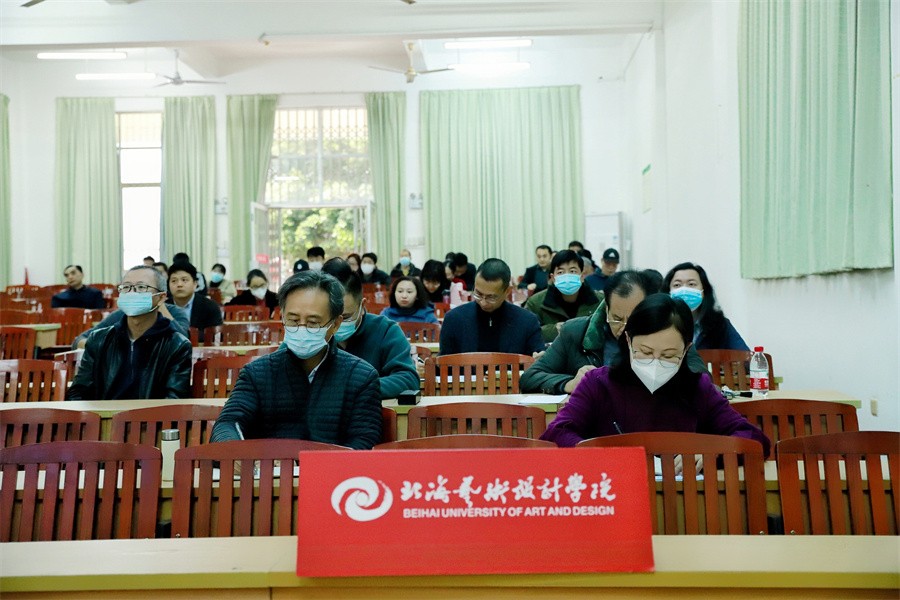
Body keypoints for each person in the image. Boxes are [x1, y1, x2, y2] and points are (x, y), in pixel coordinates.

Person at [540, 293, 770, 460]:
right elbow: (555, 434)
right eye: (646, 352)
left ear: (686, 350)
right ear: (629, 341)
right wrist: (597, 454)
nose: (655, 363)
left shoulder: (698, 387)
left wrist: (715, 454)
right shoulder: (599, 384)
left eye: (669, 355)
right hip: (615, 494)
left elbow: (754, 439)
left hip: (682, 497)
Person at [210, 270, 382, 449]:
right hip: (270, 465)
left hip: (333, 466)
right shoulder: (256, 373)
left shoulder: (361, 377)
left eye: (313, 323)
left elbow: (364, 440)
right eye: (293, 320)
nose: (301, 329)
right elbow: (228, 423)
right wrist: (236, 452)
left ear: (335, 324)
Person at [521, 269, 707, 395]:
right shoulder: (576, 332)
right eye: (617, 319)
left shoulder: (666, 332)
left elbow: (702, 378)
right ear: (606, 308)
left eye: (633, 319)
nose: (624, 327)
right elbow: (531, 377)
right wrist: (570, 383)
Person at [65, 265, 192, 400]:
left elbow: (174, 400)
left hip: (153, 413)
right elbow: (77, 393)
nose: (132, 293)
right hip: (103, 412)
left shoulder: (177, 345)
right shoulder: (98, 339)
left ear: (161, 298)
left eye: (141, 287)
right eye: (126, 287)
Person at [323, 258, 420, 399]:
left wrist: (357, 388)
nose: (337, 324)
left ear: (362, 306)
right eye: (330, 317)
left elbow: (408, 379)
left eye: (346, 316)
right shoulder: (312, 332)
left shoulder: (386, 330)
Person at [440, 258, 544, 356]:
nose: (483, 302)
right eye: (478, 294)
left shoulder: (527, 322)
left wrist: (539, 359)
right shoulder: (454, 319)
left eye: (491, 297)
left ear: (507, 291)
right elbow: (443, 364)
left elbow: (538, 360)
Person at [663, 262, 749, 351]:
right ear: (668, 292)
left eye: (691, 284)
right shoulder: (659, 323)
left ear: (704, 291)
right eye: (677, 285)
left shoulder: (720, 324)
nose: (684, 290)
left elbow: (744, 355)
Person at [523, 250, 603, 343]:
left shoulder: (600, 301)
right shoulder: (535, 303)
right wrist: (553, 330)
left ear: (582, 277)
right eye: (560, 272)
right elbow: (526, 333)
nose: (567, 277)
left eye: (572, 271)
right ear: (553, 278)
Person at [167, 262, 223, 340]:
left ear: (195, 284)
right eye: (174, 281)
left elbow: (216, 336)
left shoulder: (210, 306)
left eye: (184, 280)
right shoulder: (163, 307)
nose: (179, 284)